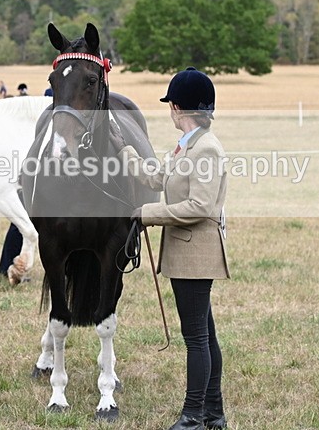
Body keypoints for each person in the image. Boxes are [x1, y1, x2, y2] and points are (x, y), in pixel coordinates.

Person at [112, 67, 229, 430]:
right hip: (185, 254)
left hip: (196, 256)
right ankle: (213, 414)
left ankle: (194, 415)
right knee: (204, 335)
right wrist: (125, 149)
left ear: (179, 108)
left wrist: (148, 213)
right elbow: (156, 178)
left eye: (171, 105)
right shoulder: (188, 145)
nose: (170, 111)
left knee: (196, 339)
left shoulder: (206, 149)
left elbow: (199, 207)